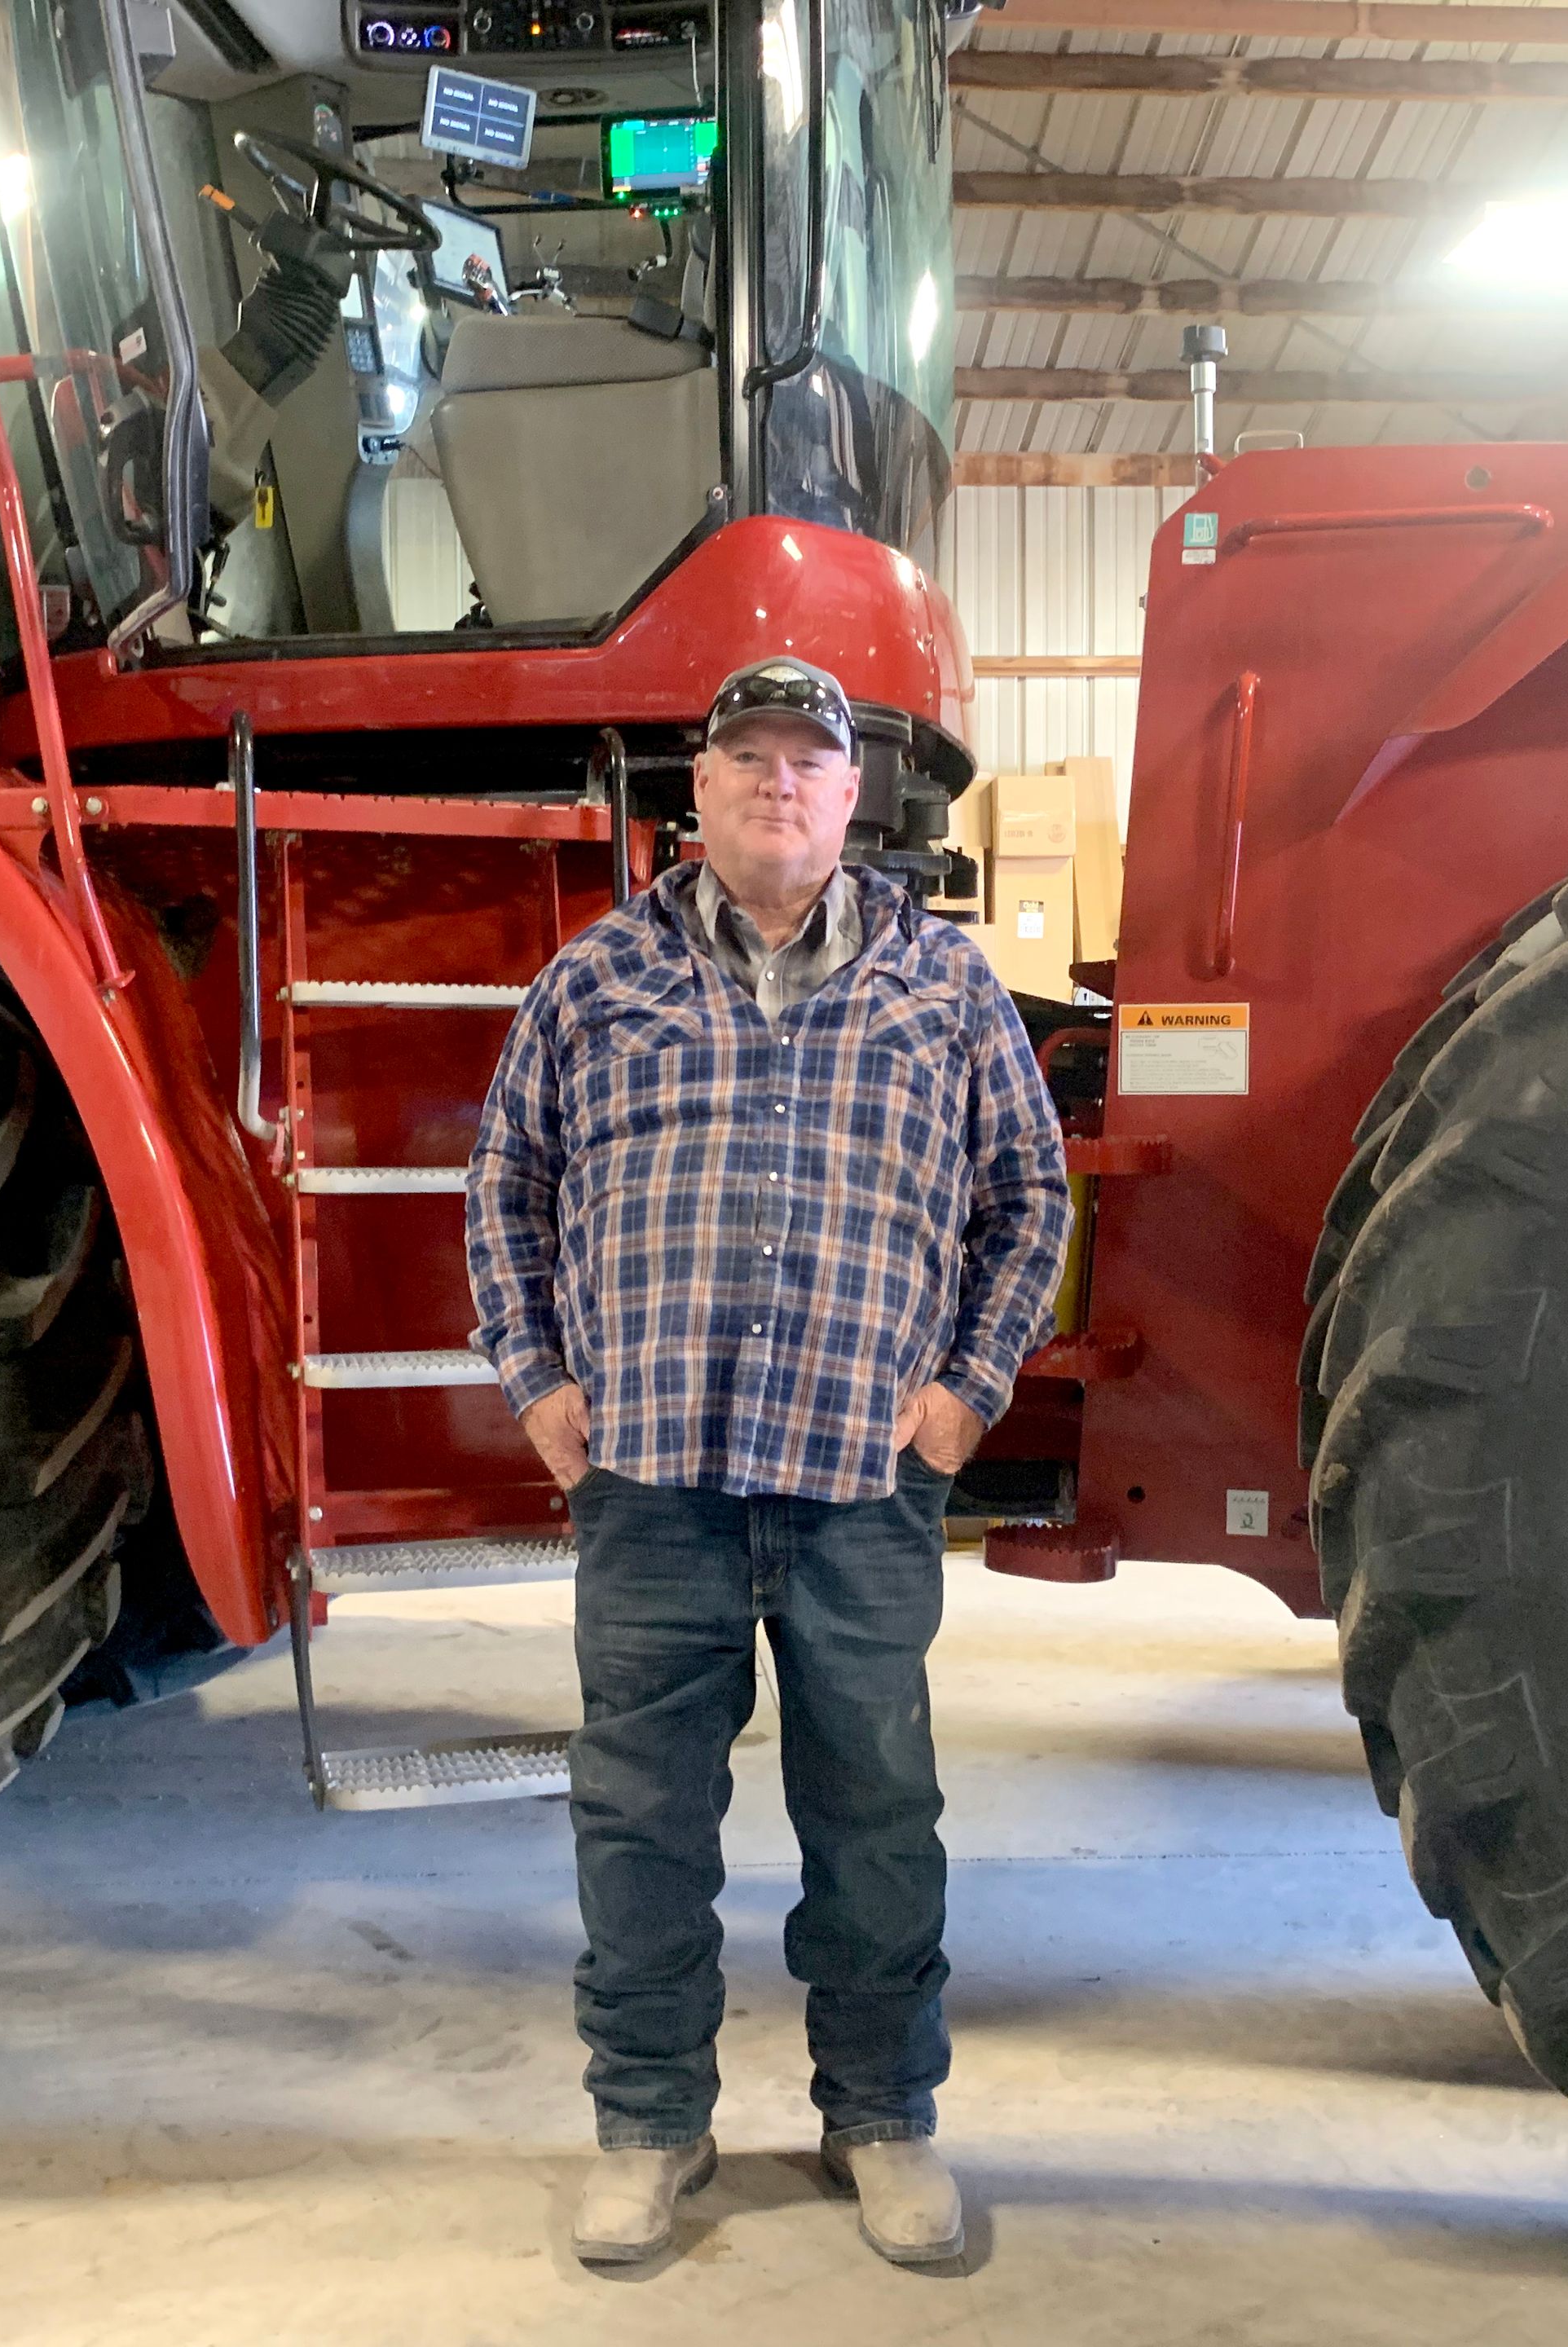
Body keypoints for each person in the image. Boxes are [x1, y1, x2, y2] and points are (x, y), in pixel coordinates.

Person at [464, 655, 1070, 2269]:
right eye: (748, 758)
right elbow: (505, 1195)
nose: (780, 783)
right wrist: (537, 1382)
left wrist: (962, 1399)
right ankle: (649, 2125)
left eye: (811, 759)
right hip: (654, 1479)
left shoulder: (944, 987)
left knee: (876, 1816)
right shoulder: (595, 982)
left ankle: (880, 2115)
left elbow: (1033, 1203)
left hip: (866, 1488)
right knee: (640, 1820)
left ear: (851, 795)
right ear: (700, 790)